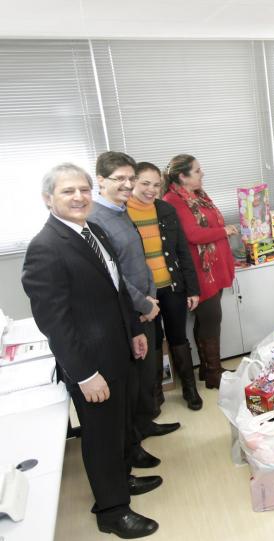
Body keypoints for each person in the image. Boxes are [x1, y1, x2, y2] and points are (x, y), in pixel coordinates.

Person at [21, 163, 161, 539]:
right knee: (100, 437)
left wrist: (134, 331)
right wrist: (83, 374)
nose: (79, 196)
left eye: (83, 189)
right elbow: (55, 323)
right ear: (48, 199)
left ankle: (119, 481)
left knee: (117, 429)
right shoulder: (45, 249)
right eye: (68, 191)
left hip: (119, 350)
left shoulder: (92, 230)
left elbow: (116, 290)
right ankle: (112, 511)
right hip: (92, 365)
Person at [89, 152, 180, 448]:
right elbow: (112, 274)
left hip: (144, 307)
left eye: (131, 178)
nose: (128, 185)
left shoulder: (120, 209)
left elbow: (139, 261)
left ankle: (144, 424)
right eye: (120, 179)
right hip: (129, 312)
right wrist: (143, 303)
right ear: (101, 181)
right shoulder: (94, 218)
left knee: (144, 377)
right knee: (130, 384)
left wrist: (151, 298)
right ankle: (133, 443)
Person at [128, 162, 203, 410]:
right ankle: (156, 393)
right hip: (143, 294)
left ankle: (189, 389)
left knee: (178, 337)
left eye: (157, 185)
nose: (151, 190)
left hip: (172, 287)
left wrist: (192, 289)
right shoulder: (122, 214)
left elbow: (182, 251)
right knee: (154, 342)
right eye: (145, 184)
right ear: (132, 182)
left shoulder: (166, 210)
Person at [163, 154, 238, 389]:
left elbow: (211, 223)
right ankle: (214, 372)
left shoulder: (198, 195)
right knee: (211, 318)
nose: (202, 173)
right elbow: (192, 235)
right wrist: (224, 231)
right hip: (200, 271)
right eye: (196, 171)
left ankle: (207, 369)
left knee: (207, 319)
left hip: (215, 266)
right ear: (182, 176)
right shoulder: (173, 200)